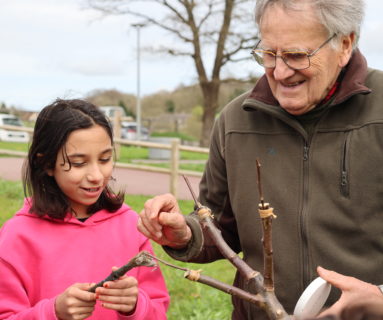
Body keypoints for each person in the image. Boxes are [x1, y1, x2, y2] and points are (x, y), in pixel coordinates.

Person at [138, 0, 383, 319]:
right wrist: (186, 233)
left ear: (345, 44)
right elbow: (219, 225)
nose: (280, 72)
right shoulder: (235, 121)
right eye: (269, 53)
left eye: (296, 55)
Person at [0, 99, 169, 319]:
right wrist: (52, 313)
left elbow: (158, 310)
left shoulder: (131, 226)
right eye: (79, 163)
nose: (97, 176)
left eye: (105, 159)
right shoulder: (17, 236)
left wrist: (136, 306)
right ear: (47, 163)